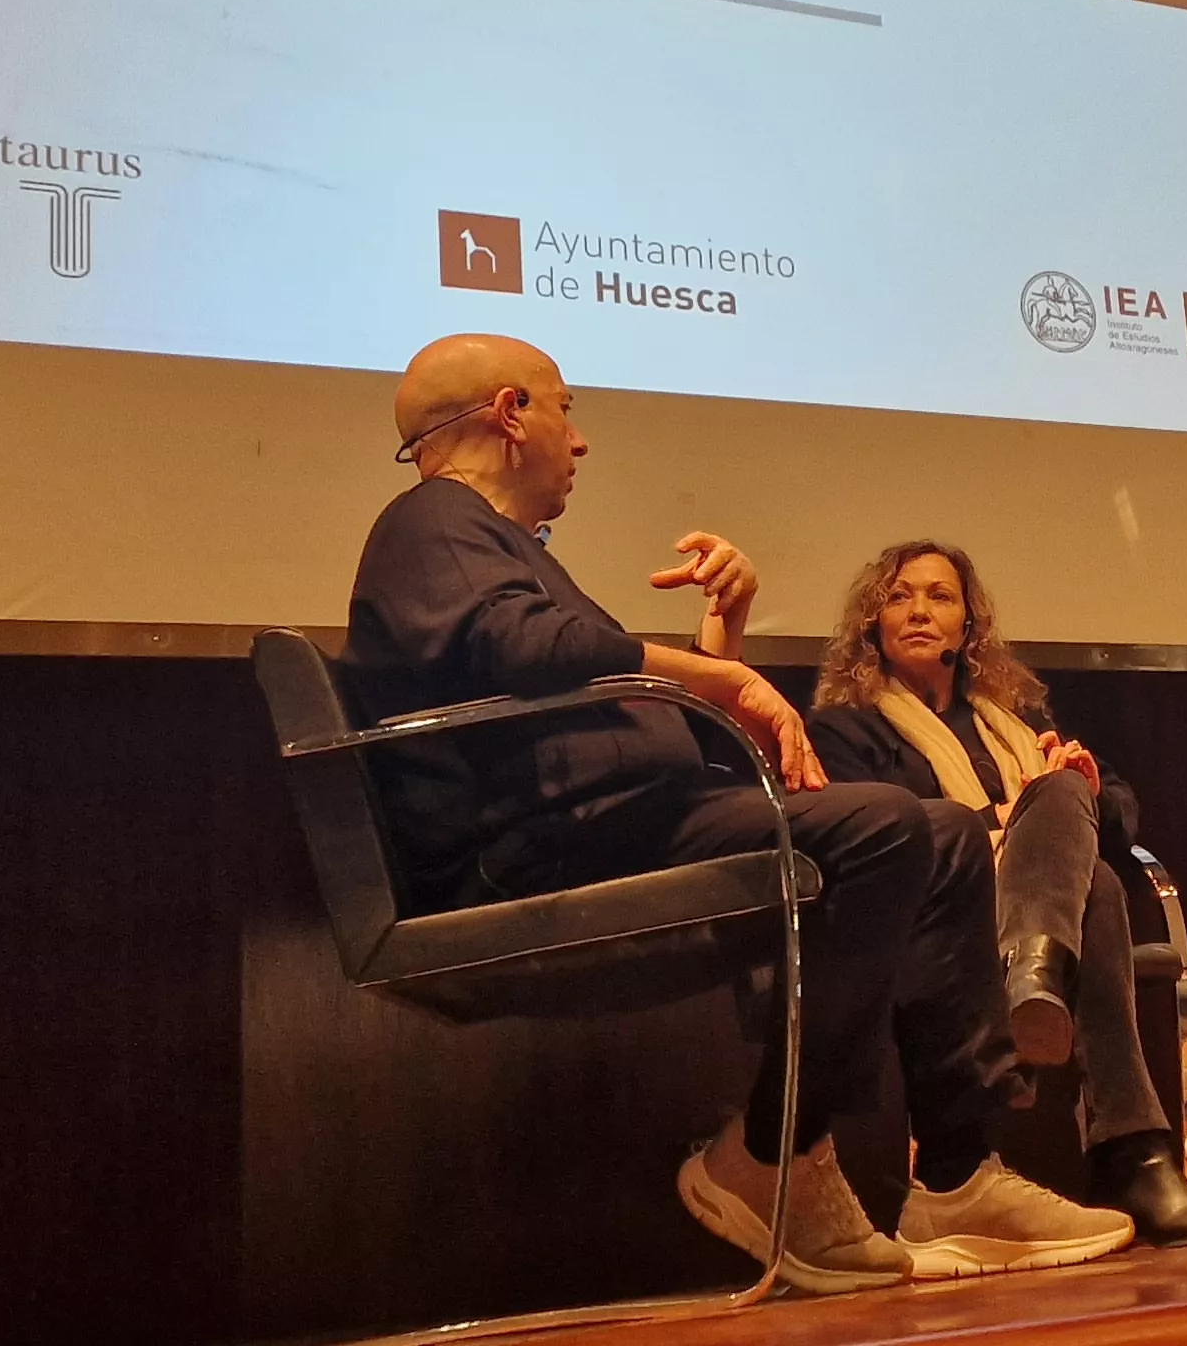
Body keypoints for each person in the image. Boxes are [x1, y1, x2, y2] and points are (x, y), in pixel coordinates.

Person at [338, 335, 1132, 1292]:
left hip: (608, 825)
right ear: (511, 415)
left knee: (948, 834)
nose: (579, 441)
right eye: (565, 408)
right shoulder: (430, 520)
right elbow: (532, 645)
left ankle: (957, 1174)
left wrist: (721, 643)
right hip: (533, 853)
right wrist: (716, 674)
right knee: (885, 826)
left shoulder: (491, 545)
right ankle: (772, 1152)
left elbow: (614, 707)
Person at [802, 541, 1187, 1249]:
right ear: (873, 623)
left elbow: (1117, 813)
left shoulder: (1017, 721)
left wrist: (1076, 783)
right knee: (1092, 877)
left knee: (1077, 825)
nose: (919, 609)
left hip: (1033, 909)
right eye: (899, 596)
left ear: (969, 627)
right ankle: (1132, 1156)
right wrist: (1010, 829)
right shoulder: (843, 730)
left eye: (940, 596)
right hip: (933, 924)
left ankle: (1035, 980)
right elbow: (880, 838)